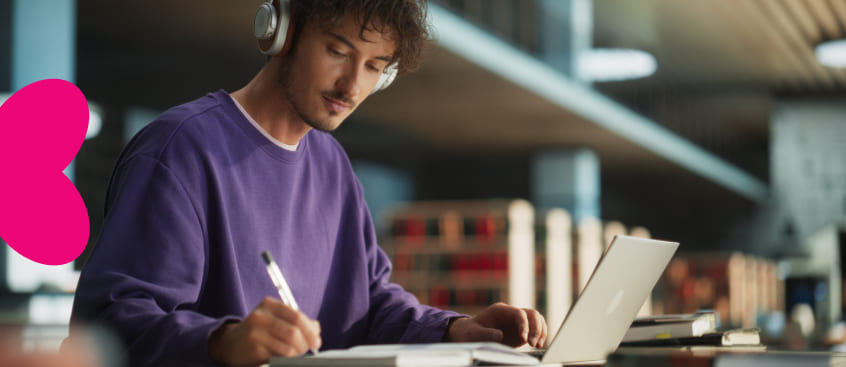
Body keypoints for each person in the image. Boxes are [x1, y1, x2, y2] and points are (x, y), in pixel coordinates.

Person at [69, 1, 547, 366]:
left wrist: (456, 331)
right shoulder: (180, 150)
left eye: (376, 66)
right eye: (339, 51)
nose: (352, 86)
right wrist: (221, 341)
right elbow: (107, 326)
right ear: (282, 31)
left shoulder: (333, 166)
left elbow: (371, 303)